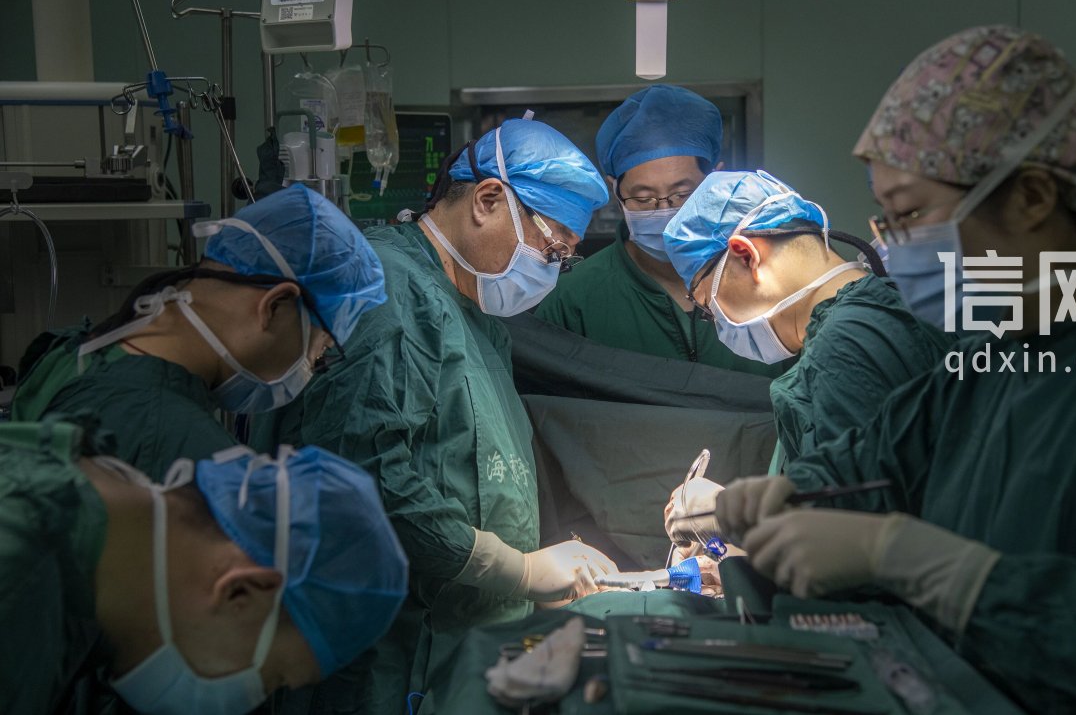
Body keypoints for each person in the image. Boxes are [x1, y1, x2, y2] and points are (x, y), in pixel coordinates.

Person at [713, 25, 1076, 715]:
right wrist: (787, 493)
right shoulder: (992, 361)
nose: (896, 247)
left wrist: (919, 561)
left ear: (1032, 197)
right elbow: (876, 464)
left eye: (912, 213)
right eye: (886, 220)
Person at [252, 118, 618, 713]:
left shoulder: (473, 313)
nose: (551, 269)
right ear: (488, 200)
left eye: (564, 260)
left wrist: (533, 575)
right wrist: (519, 571)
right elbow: (368, 476)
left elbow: (469, 464)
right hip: (389, 656)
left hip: (460, 642)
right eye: (551, 249)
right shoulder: (387, 290)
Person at [0, 415, 408, 715]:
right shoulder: (16, 583)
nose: (251, 699)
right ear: (241, 591)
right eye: (271, 680)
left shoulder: (71, 487)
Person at [659, 170, 950, 552]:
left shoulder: (846, 347)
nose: (718, 323)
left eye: (707, 306)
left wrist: (732, 512)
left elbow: (855, 539)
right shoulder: (889, 310)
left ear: (746, 255)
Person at [10, 184, 386, 480]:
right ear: (273, 306)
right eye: (320, 349)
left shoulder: (79, 350)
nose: (312, 365)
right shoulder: (184, 453)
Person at [536, 85, 787, 376]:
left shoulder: (770, 284)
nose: (666, 212)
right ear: (615, 191)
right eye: (643, 198)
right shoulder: (573, 300)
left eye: (683, 194)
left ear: (716, 180)